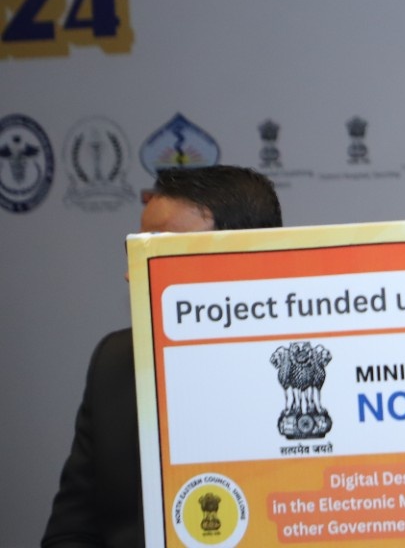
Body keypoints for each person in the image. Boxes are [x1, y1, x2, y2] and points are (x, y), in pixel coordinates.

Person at [42, 165, 282, 548]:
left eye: (161, 249)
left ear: (245, 254)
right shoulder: (117, 361)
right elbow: (72, 533)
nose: (131, 273)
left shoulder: (305, 364)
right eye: (137, 250)